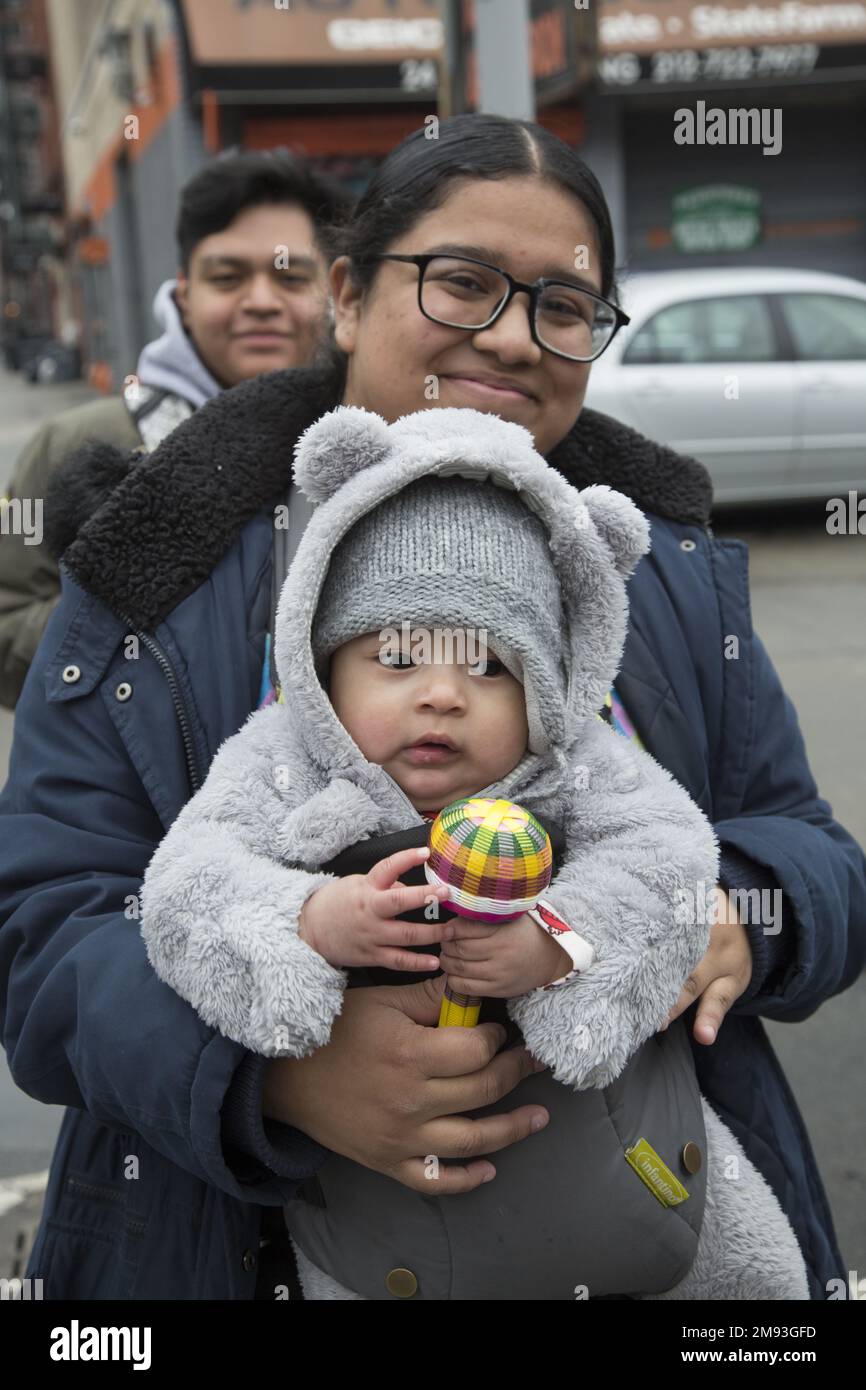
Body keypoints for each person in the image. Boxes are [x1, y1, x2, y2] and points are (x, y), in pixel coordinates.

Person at [1, 113, 863, 1302]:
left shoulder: (656, 566)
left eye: (563, 306)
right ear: (347, 296)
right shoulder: (156, 568)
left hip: (639, 1230)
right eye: (461, 282)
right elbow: (46, 929)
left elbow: (810, 851)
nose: (510, 335)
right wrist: (273, 1079)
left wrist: (734, 919)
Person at [137, 401, 809, 1300]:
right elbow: (185, 888)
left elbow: (670, 856)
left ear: (550, 691)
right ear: (321, 663)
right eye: (398, 657)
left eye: (492, 666)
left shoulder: (575, 765)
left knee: (762, 1287)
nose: (443, 695)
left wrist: (561, 941)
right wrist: (308, 921)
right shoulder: (279, 762)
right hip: (375, 1239)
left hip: (633, 1186)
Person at [0, 149, 351, 708]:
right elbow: (7, 622)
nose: (261, 301)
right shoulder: (71, 445)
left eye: (290, 277)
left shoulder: (366, 446)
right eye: (228, 277)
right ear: (185, 296)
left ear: (333, 295)